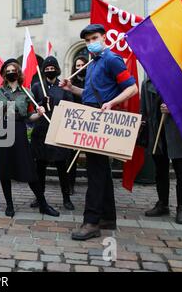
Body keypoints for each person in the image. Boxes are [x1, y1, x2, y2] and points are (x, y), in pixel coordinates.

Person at [60, 24, 138, 240]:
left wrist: (111, 103)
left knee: (95, 171)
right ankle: (108, 218)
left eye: (94, 38)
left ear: (103, 37)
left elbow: (132, 88)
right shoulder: (93, 63)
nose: (91, 42)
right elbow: (90, 93)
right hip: (92, 114)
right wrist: (71, 89)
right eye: (87, 40)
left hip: (103, 117)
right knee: (101, 169)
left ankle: (91, 221)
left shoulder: (112, 59)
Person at [0, 59, 49, 218]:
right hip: (2, 129)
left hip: (19, 128)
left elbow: (30, 116)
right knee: (4, 169)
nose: (10, 73)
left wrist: (40, 113)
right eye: (7, 71)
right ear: (4, 74)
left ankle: (43, 203)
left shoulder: (26, 92)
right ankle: (9, 204)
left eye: (13, 70)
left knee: (28, 167)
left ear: (18, 72)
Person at [30, 56, 75, 214]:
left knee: (62, 167)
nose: (50, 71)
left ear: (57, 69)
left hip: (58, 130)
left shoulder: (63, 87)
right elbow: (32, 107)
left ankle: (66, 197)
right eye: (47, 69)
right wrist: (41, 107)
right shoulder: (37, 86)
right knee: (40, 167)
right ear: (43, 71)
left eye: (52, 68)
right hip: (41, 131)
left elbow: (70, 107)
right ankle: (39, 196)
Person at [141, 77, 182, 224]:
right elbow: (144, 109)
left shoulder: (181, 79)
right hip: (157, 133)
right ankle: (162, 203)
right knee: (160, 170)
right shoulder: (146, 83)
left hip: (177, 133)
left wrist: (174, 107)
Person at [67, 55, 88, 195]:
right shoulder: (71, 82)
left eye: (82, 65)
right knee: (71, 155)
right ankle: (70, 184)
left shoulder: (92, 80)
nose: (79, 68)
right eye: (77, 66)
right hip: (75, 120)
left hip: (90, 120)